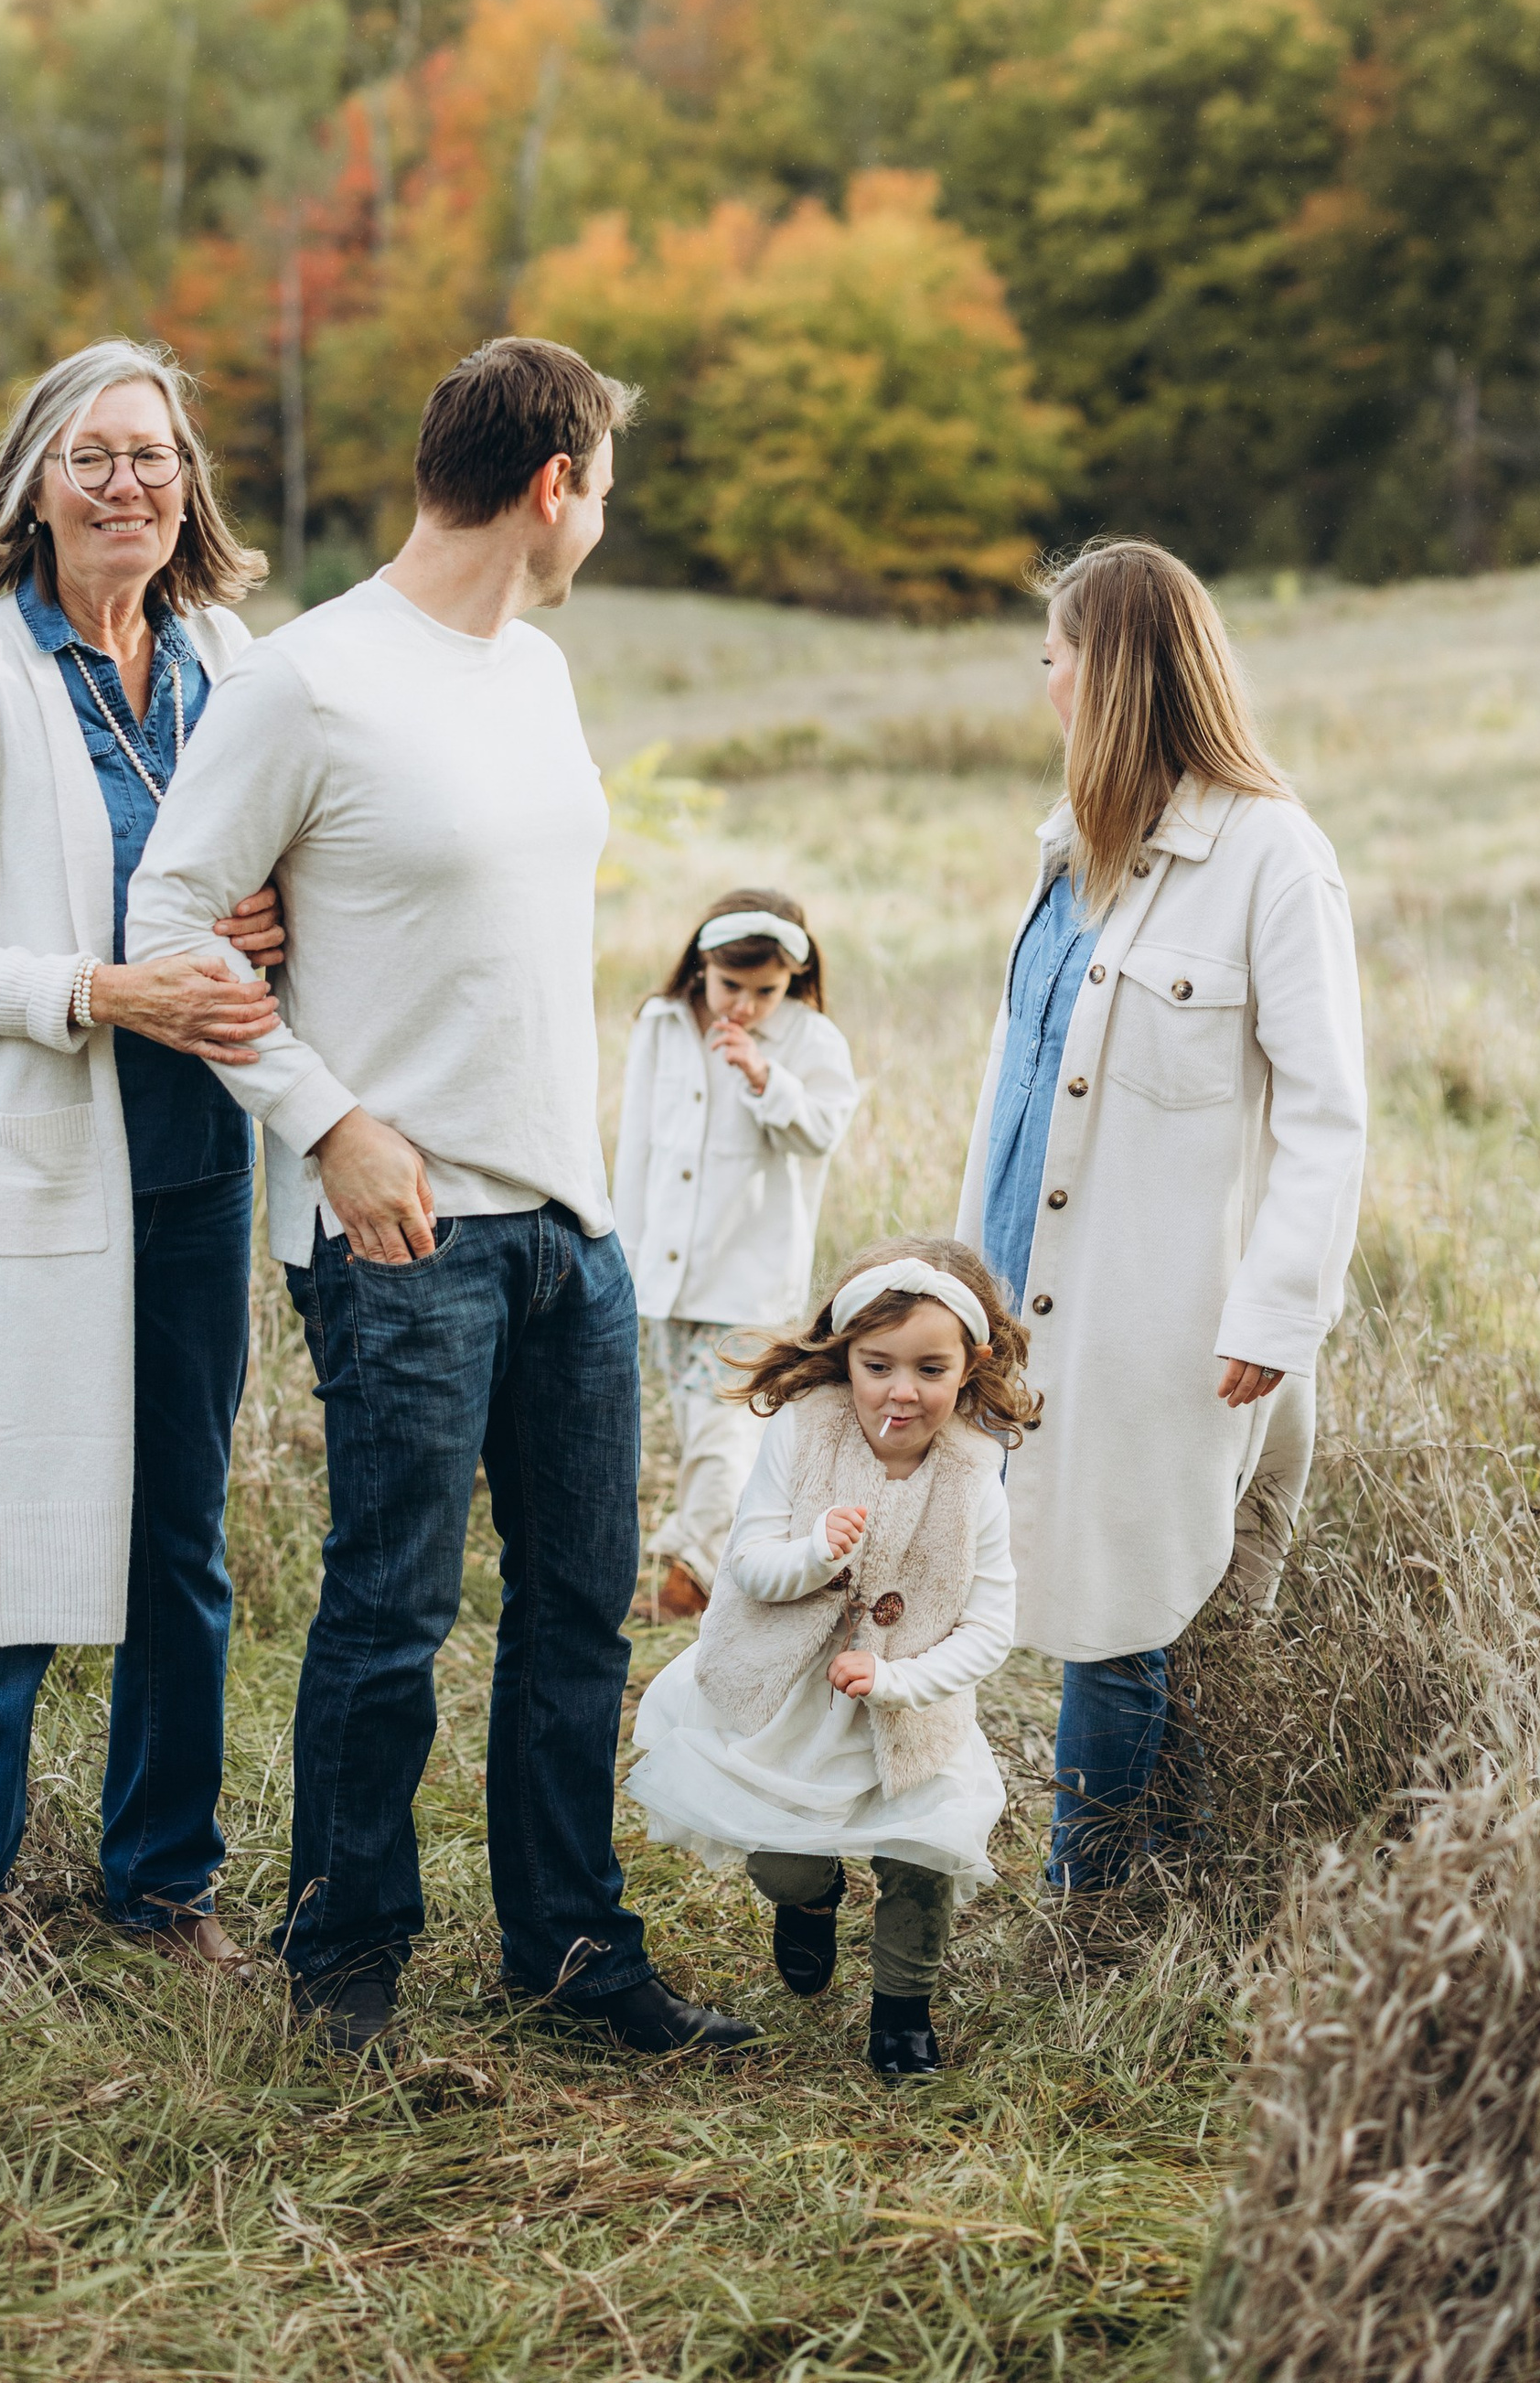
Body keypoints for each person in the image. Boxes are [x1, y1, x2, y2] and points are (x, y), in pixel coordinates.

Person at [123, 335, 756, 2058]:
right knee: (390, 1613)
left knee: (573, 1605)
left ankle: (569, 1951)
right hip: (399, 1232)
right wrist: (326, 1122)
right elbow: (166, 921)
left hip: (573, 1223)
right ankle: (344, 1966)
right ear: (554, 484)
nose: (600, 521)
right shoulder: (311, 683)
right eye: (603, 490)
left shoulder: (536, 677)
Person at [0, 339, 289, 1970]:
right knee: (12, 1526)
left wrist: (272, 919)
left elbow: (276, 869)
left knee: (181, 1536)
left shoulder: (228, 662)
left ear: (191, 485)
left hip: (199, 1166)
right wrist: (95, 991)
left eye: (155, 455)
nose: (128, 483)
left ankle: (161, 1888)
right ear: (34, 485)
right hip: (41, 1164)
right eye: (94, 456)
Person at [953, 534, 1366, 1892]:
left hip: (1173, 1314)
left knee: (1128, 1604)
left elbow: (1324, 1109)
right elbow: (1018, 1095)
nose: (1045, 682)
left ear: (1114, 673)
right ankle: (1107, 1881)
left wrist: (1279, 1308)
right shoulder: (1071, 855)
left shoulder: (1272, 859)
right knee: (1047, 1582)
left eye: (1057, 656)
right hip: (1026, 1296)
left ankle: (1101, 1908)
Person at [627, 1240, 1029, 2077]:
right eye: (878, 1366)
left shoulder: (973, 1475)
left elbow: (990, 1626)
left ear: (971, 1366)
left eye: (930, 1368)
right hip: (792, 1692)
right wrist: (814, 1553)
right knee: (781, 1843)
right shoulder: (803, 1435)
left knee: (923, 1850)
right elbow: (747, 1565)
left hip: (909, 1702)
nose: (902, 1391)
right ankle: (807, 1901)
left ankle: (902, 2013)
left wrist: (898, 1680)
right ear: (844, 1356)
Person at [615, 888, 859, 1624]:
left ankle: (699, 1568)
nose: (746, 1005)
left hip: (744, 1273)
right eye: (731, 987)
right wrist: (621, 1247)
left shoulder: (811, 1041)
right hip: (665, 1265)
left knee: (725, 1420)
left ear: (793, 979)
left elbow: (822, 1131)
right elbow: (638, 1144)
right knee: (691, 1412)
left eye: (766, 991)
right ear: (700, 966)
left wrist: (762, 1076)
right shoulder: (662, 1025)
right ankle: (708, 1531)